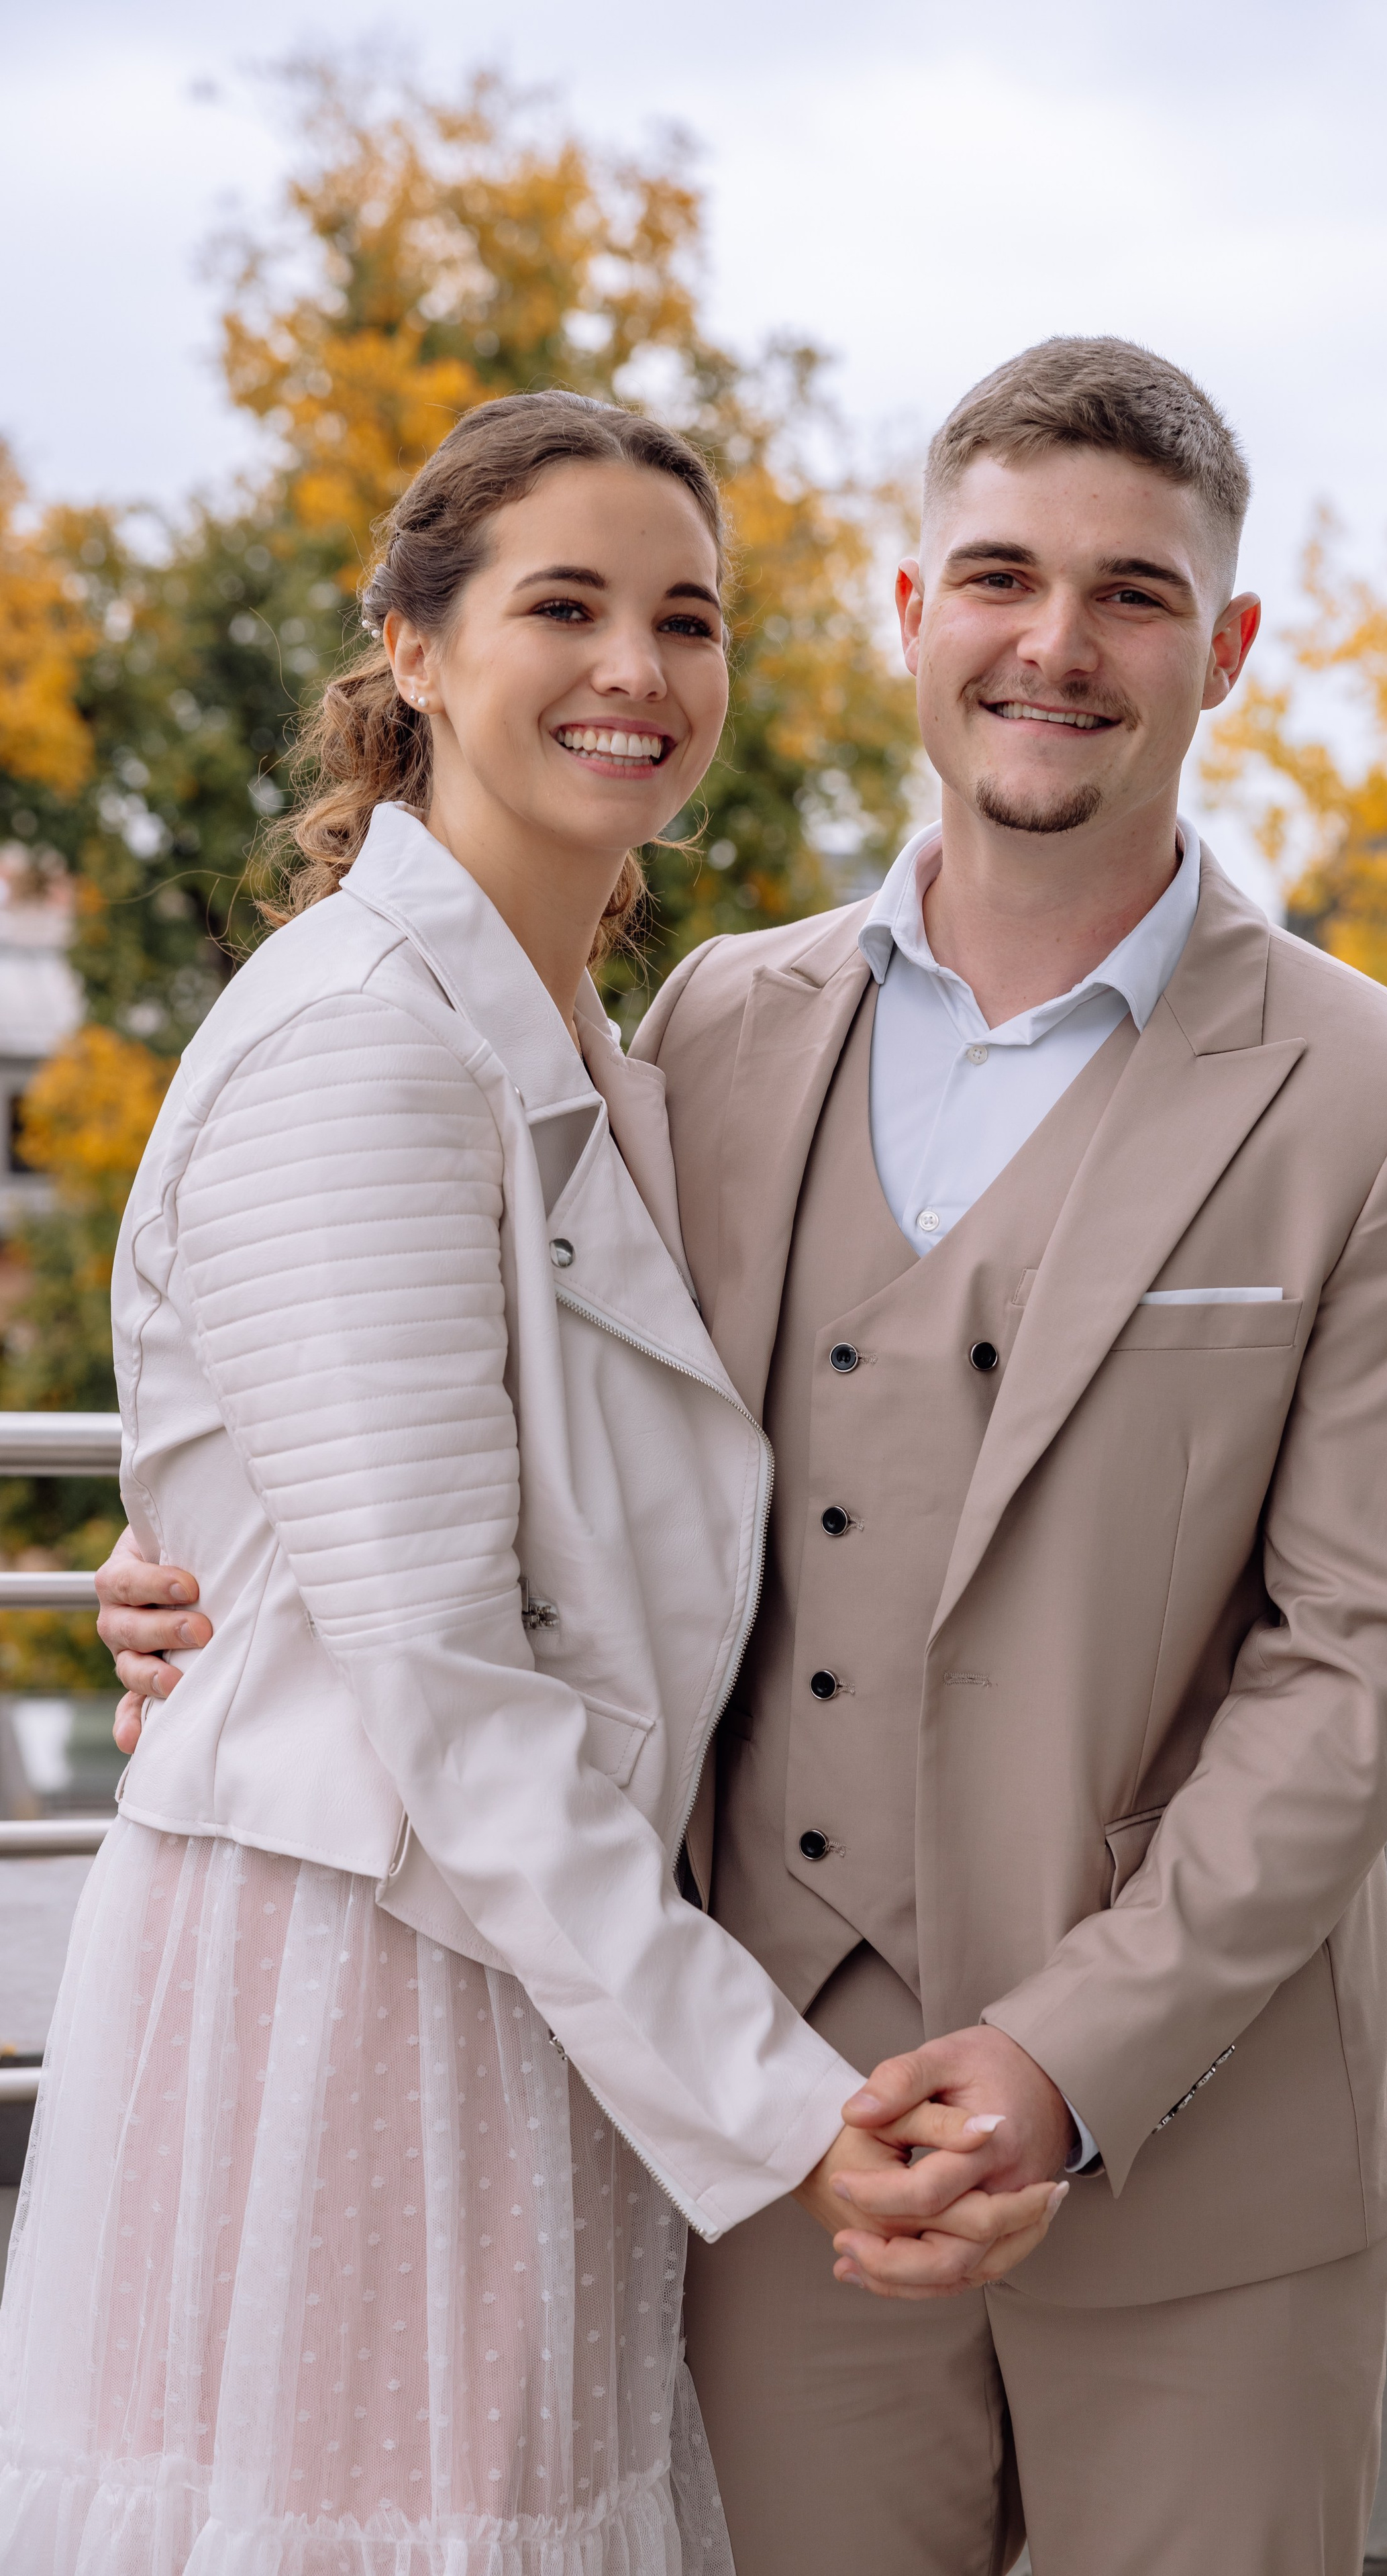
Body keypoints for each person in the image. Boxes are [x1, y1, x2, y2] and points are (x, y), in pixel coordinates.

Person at [96, 337, 1387, 2576]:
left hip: (1197, 2163)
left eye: (1135, 594)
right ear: (913, 610)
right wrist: (223, 1567)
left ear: (1230, 645)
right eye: (1003, 578)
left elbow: (1366, 1666)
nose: (1057, 645)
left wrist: (1069, 2058)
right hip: (770, 2153)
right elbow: (480, 1448)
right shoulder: (715, 1029)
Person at [0, 391, 1062, 2576]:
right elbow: (444, 1682)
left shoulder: (586, 1036)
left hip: (531, 1966)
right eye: (562, 607)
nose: (636, 671)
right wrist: (784, 2109)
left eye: (689, 619)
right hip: (368, 1981)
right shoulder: (362, 1042)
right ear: (410, 647)